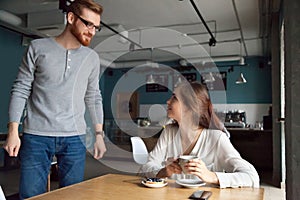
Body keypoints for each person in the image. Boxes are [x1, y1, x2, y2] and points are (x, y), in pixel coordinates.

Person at [3, 0, 106, 199]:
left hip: (75, 138)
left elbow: (93, 97)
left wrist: (99, 135)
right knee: (31, 195)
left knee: (73, 195)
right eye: (88, 24)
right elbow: (21, 89)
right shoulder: (37, 47)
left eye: (96, 27)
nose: (92, 31)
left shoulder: (91, 58)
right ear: (70, 18)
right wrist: (13, 131)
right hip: (36, 136)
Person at [141, 81, 259, 188]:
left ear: (190, 107)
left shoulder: (216, 138)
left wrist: (211, 176)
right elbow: (146, 166)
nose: (168, 101)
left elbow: (252, 177)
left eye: (174, 98)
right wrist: (163, 171)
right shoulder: (169, 132)